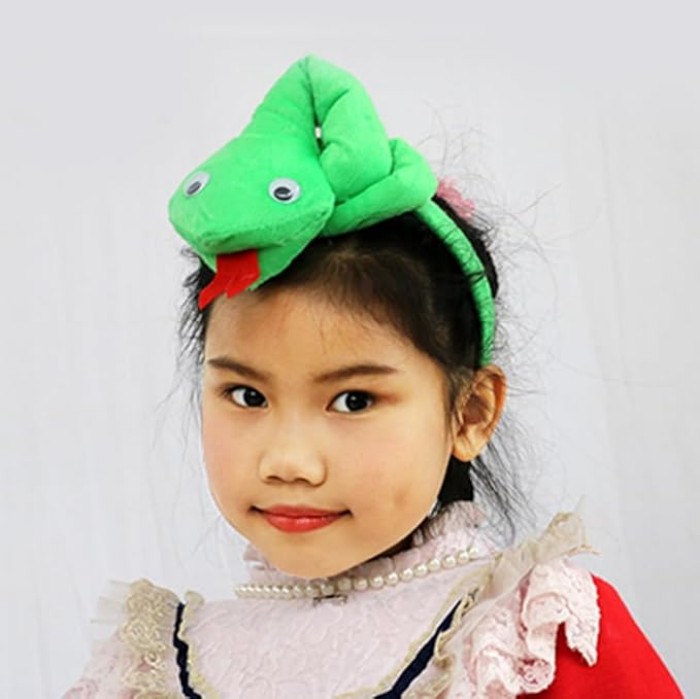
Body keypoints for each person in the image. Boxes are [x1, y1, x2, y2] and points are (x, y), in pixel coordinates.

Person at [64, 55, 682, 698]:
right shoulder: (153, 668)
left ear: (470, 413)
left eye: (354, 400)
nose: (289, 462)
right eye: (246, 395)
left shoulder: (529, 641)